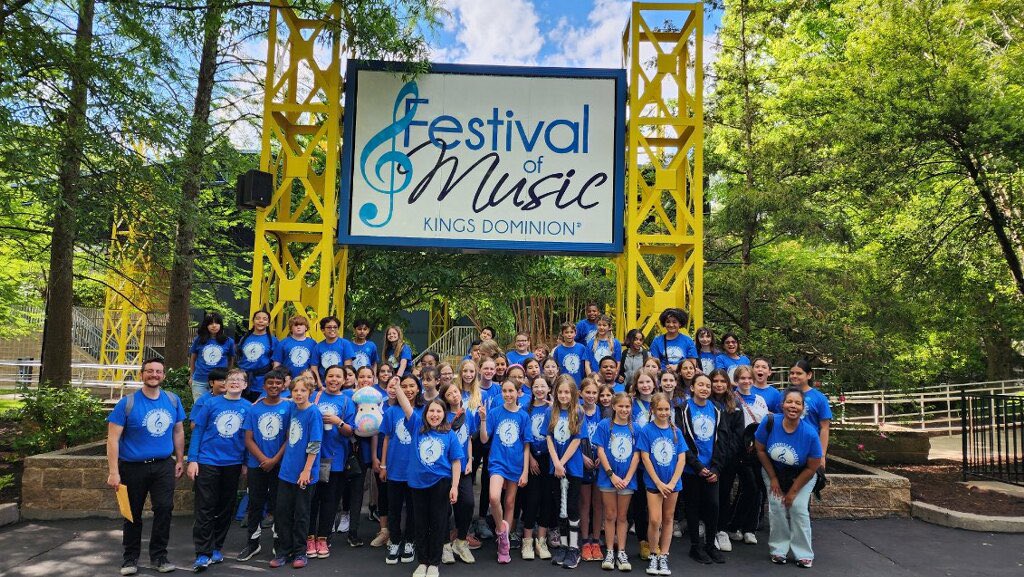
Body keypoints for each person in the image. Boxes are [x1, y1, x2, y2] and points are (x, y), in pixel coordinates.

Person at [107, 358, 186, 576]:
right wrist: (114, 472)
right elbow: (112, 439)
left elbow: (178, 431)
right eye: (149, 371)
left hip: (163, 466)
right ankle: (130, 558)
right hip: (132, 468)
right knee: (132, 513)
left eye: (158, 371)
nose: (154, 374)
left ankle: (159, 556)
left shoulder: (172, 400)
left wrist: (179, 460)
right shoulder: (127, 403)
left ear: (163, 376)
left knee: (164, 509)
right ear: (142, 374)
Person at [393, 385, 464, 577]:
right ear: (425, 413)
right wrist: (397, 385)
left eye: (438, 411)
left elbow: (456, 462)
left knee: (438, 523)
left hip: (440, 484)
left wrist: (455, 487)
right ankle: (422, 561)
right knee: (420, 523)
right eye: (431, 411)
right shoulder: (417, 426)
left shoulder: (449, 434)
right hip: (417, 484)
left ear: (444, 414)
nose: (434, 414)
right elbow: (406, 405)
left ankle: (434, 562)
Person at [187, 368, 251, 571]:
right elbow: (198, 431)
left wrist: (245, 462)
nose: (234, 382)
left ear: (245, 385)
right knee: (205, 507)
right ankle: (202, 552)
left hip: (232, 463)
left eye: (239, 379)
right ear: (225, 382)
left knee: (225, 507)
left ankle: (216, 547)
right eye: (231, 378)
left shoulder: (248, 408)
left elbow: (249, 438)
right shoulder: (210, 403)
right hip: (208, 461)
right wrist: (193, 459)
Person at [754, 387, 824, 568]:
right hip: (774, 471)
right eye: (789, 402)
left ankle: (803, 553)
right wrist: (774, 478)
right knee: (777, 506)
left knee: (798, 508)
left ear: (803, 408)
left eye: (798, 403)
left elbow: (812, 467)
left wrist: (792, 492)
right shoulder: (770, 422)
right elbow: (760, 450)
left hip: (802, 475)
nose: (793, 406)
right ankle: (778, 549)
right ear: (782, 405)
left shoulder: (809, 433)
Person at [270, 376, 323, 569]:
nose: (298, 394)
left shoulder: (313, 413)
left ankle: (300, 551)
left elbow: (315, 444)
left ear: (310, 392)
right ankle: (284, 551)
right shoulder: (292, 407)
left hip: (304, 473)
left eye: (303, 391)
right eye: (295, 391)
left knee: (301, 514)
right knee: (282, 512)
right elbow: (282, 401)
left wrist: (306, 470)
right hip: (287, 471)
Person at [238, 368, 290, 561]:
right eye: (270, 383)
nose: (274, 386)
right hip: (256, 464)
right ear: (264, 385)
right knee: (255, 504)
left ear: (284, 385)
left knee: (279, 505)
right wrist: (263, 459)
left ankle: (278, 542)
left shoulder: (288, 408)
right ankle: (253, 543)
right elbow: (248, 439)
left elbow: (288, 437)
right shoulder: (254, 408)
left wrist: (274, 460)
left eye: (278, 383)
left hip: (280, 464)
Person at [306, 365, 356, 559]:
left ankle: (323, 538)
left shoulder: (346, 401)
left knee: (330, 501)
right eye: (330, 376)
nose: (334, 380)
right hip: (312, 459)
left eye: (338, 377)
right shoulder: (314, 397)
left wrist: (338, 422)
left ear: (344, 380)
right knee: (311, 500)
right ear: (324, 378)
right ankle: (309, 537)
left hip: (335, 460)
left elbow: (351, 431)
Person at [480, 379, 531, 564]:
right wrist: (484, 420)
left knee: (510, 503)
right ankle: (502, 532)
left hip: (516, 464)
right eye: (504, 391)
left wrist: (525, 471)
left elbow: (526, 445)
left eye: (511, 391)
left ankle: (504, 543)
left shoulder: (524, 416)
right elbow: (485, 440)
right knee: (494, 497)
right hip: (498, 462)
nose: (508, 394)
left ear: (519, 393)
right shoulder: (494, 412)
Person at [637, 393, 687, 576]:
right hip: (654, 483)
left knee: (668, 519)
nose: (663, 412)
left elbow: (681, 458)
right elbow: (645, 457)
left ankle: (664, 555)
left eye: (666, 409)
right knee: (654, 519)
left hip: (673, 483)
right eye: (660, 409)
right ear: (653, 410)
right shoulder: (647, 431)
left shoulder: (676, 431)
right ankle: (653, 553)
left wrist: (673, 482)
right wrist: (658, 482)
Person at [678, 375, 725, 564]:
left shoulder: (717, 410)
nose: (705, 388)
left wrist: (716, 468)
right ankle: (695, 547)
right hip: (692, 469)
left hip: (712, 469)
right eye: (701, 385)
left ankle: (710, 545)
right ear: (692, 388)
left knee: (713, 506)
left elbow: (723, 440)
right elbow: (682, 440)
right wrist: (696, 466)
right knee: (693, 507)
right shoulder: (683, 410)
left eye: (708, 385)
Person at [593, 392, 639, 571]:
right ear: (613, 407)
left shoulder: (635, 428)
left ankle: (622, 551)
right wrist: (611, 474)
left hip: (627, 479)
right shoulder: (605, 425)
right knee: (610, 515)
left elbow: (637, 455)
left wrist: (627, 478)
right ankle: (610, 551)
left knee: (622, 516)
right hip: (608, 478)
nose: (624, 409)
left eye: (627, 406)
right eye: (620, 406)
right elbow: (601, 451)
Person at [544, 375, 585, 569]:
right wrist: (556, 463)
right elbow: (549, 439)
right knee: (560, 508)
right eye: (560, 392)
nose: (563, 395)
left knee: (572, 507)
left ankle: (574, 548)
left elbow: (577, 440)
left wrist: (563, 462)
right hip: (556, 468)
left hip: (573, 468)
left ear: (573, 394)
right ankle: (563, 544)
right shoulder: (549, 412)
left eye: (567, 392)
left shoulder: (578, 411)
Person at [724, 365, 768, 545]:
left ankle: (749, 528)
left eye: (749, 378)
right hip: (738, 450)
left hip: (757, 450)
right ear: (736, 380)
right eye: (742, 378)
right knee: (749, 487)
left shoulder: (759, 400)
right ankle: (733, 525)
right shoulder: (732, 399)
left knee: (756, 489)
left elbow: (765, 423)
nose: (746, 381)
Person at [381, 374, 422, 564]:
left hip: (415, 470)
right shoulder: (391, 411)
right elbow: (387, 438)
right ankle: (395, 541)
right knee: (394, 508)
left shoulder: (424, 411)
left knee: (414, 510)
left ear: (418, 388)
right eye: (404, 386)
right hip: (395, 468)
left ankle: (410, 542)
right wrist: (383, 465)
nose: (408, 390)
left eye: (412, 385)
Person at [441, 381, 478, 563]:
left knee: (468, 503)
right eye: (449, 394)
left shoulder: (468, 414)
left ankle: (461, 541)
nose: (454, 396)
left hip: (464, 468)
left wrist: (470, 459)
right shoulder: (442, 415)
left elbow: (469, 438)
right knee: (446, 508)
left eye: (455, 392)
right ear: (445, 399)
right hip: (445, 469)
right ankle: (445, 545)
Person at [708, 369, 744, 554]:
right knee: (709, 498)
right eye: (715, 381)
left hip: (728, 460)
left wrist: (725, 458)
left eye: (722, 381)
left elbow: (738, 435)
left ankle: (721, 529)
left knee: (724, 495)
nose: (719, 384)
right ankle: (709, 530)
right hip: (708, 459)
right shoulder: (706, 402)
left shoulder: (735, 404)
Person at [520, 375, 553, 561]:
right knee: (531, 500)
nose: (540, 389)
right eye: (536, 386)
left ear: (549, 388)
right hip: (532, 459)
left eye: (543, 386)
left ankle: (541, 539)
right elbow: (524, 438)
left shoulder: (552, 409)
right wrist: (531, 458)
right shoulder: (527, 409)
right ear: (531, 389)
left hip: (549, 459)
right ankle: (527, 540)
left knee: (547, 500)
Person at [628, 370, 657, 560]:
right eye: (641, 382)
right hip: (637, 461)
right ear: (636, 385)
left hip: (658, 463)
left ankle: (657, 541)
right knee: (639, 505)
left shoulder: (661, 403)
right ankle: (643, 541)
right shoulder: (631, 404)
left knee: (655, 507)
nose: (645, 385)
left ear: (654, 383)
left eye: (648, 382)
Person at [578, 379, 604, 562]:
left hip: (598, 462)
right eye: (588, 392)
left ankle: (596, 540)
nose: (591, 396)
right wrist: (581, 457)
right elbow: (572, 438)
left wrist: (601, 458)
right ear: (581, 393)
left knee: (598, 503)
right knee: (585, 503)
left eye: (595, 393)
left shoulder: (602, 412)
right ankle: (585, 541)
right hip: (582, 462)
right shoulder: (577, 412)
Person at [790, 360, 832, 467]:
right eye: (792, 373)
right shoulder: (784, 396)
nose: (794, 376)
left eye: (799, 373)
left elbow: (825, 428)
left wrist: (822, 455)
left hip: (811, 448)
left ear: (809, 375)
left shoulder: (819, 398)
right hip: (788, 446)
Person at [189, 312, 235, 401]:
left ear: (221, 325)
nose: (214, 326)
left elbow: (231, 359)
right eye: (210, 323)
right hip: (200, 379)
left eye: (217, 323)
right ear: (206, 325)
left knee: (218, 406)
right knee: (200, 406)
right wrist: (191, 376)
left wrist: (228, 376)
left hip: (220, 380)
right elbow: (193, 358)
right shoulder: (199, 340)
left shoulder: (228, 341)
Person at [236, 310, 278, 402]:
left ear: (268, 323)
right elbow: (239, 356)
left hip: (261, 380)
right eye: (258, 318)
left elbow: (276, 362)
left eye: (264, 319)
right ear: (253, 321)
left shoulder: (273, 340)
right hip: (242, 378)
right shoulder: (245, 338)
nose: (261, 321)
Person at [273, 315, 320, 386]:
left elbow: (315, 365)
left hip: (307, 380)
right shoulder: (283, 343)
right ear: (291, 328)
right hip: (288, 380)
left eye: (301, 325)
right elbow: (277, 364)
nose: (298, 327)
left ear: (306, 327)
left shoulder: (313, 343)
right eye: (295, 325)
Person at [315, 316, 354, 382]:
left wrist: (344, 383)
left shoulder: (345, 344)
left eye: (335, 327)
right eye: (329, 327)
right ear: (323, 330)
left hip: (341, 384)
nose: (332, 329)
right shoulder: (318, 347)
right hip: (324, 384)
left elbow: (348, 367)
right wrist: (320, 385)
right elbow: (314, 368)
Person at [552, 322, 590, 386]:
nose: (569, 335)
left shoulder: (582, 348)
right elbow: (556, 369)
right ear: (562, 334)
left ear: (575, 333)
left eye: (571, 332)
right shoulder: (558, 350)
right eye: (566, 332)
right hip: (564, 384)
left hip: (579, 384)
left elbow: (586, 367)